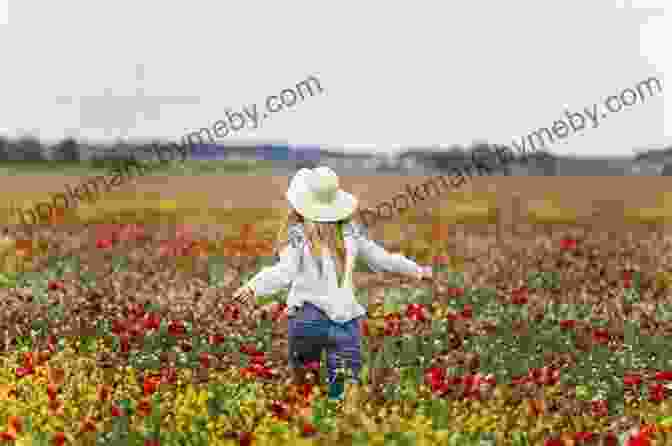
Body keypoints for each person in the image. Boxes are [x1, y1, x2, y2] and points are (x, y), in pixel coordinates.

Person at [233, 166, 433, 401]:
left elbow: (283, 273)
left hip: (307, 320)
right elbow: (382, 259)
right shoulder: (350, 232)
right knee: (342, 395)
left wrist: (253, 286)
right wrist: (417, 271)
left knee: (304, 392)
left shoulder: (296, 235)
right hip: (345, 321)